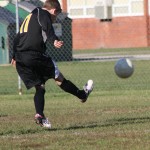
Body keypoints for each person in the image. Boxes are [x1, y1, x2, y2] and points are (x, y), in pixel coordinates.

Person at [11, 0, 93, 129]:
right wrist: (54, 40)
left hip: (21, 57)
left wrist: (14, 55)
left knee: (40, 87)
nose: (55, 19)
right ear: (54, 11)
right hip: (34, 56)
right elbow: (47, 28)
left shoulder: (31, 15)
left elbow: (17, 36)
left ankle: (39, 115)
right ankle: (82, 94)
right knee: (59, 78)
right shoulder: (43, 13)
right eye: (57, 15)